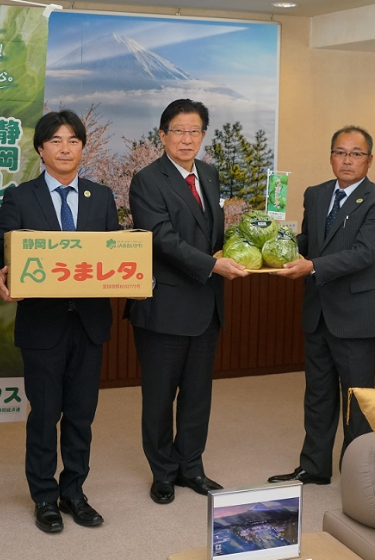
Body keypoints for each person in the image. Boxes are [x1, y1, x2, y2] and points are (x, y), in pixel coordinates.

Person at [0, 110, 119, 533]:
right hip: (42, 324)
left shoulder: (102, 197)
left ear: (83, 148)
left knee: (81, 414)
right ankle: (44, 496)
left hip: (89, 323)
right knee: (44, 415)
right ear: (41, 149)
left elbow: (116, 252)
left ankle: (74, 492)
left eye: (73, 140)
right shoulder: (21, 197)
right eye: (56, 141)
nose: (65, 148)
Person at [126, 99, 248, 505]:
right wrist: (213, 264)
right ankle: (162, 472)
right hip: (164, 307)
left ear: (203, 135)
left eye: (194, 131)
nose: (186, 139)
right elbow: (162, 239)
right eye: (177, 130)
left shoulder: (209, 175)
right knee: (159, 398)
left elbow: (210, 233)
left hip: (207, 305)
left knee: (198, 395)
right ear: (162, 135)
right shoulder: (147, 180)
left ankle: (191, 467)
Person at [268, 125, 375, 486]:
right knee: (318, 394)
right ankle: (314, 466)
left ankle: (358, 477)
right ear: (330, 157)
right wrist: (273, 247)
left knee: (357, 402)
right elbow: (310, 240)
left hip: (356, 316)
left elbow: (364, 253)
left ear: (369, 160)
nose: (347, 160)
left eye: (356, 154)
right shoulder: (316, 193)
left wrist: (312, 266)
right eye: (340, 152)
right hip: (318, 311)